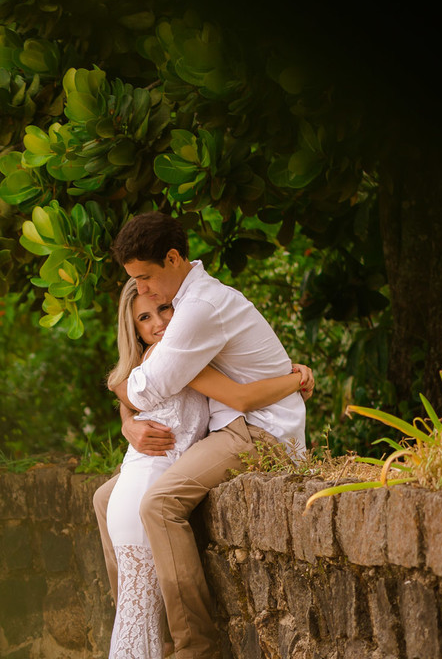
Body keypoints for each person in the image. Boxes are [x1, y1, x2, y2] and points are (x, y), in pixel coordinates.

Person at [95, 211, 309, 658]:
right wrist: (127, 422)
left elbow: (144, 384)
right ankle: (139, 624)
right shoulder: (187, 308)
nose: (144, 290)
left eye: (147, 278)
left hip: (258, 430)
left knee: (158, 504)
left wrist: (126, 390)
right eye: (135, 281)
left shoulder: (198, 310)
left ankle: (195, 647)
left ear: (174, 258)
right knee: (104, 498)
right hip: (230, 424)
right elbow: (140, 385)